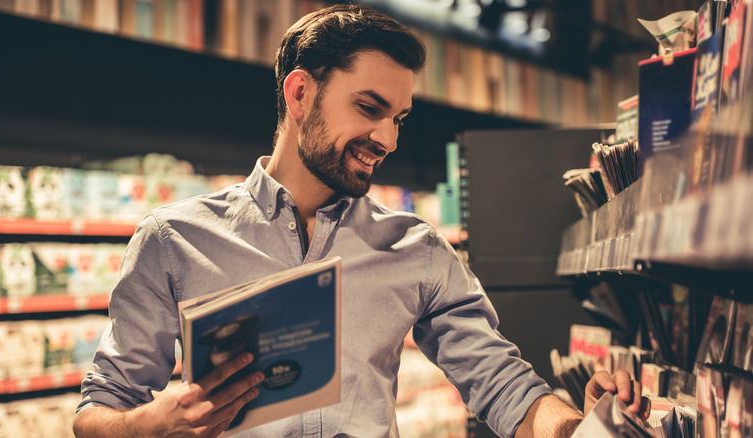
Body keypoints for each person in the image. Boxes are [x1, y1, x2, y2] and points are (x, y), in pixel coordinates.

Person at [73, 4, 650, 438]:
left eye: (399, 117)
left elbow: (503, 384)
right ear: (300, 94)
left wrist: (580, 429)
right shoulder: (173, 239)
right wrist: (146, 426)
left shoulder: (416, 250)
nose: (388, 138)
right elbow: (100, 407)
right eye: (369, 109)